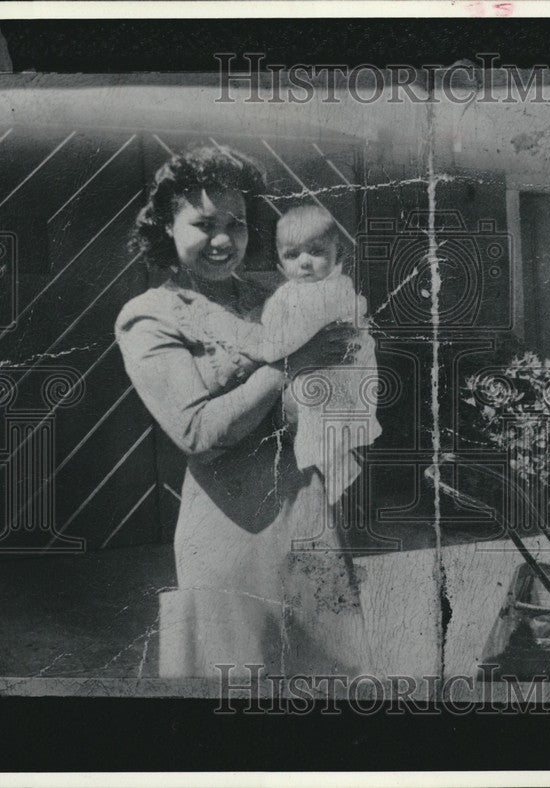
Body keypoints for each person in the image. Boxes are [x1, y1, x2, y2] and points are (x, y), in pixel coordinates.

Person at [114, 145, 373, 680]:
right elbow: (198, 432)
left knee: (332, 687)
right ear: (166, 225)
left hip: (307, 516)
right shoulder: (150, 316)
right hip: (231, 530)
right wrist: (291, 362)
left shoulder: (276, 291)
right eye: (205, 224)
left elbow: (343, 354)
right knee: (237, 695)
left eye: (237, 224)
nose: (224, 240)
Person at [205, 202, 382, 505]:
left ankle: (330, 475)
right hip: (315, 368)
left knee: (315, 423)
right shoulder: (295, 291)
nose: (304, 262)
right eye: (292, 254)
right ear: (279, 263)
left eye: (316, 252)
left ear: (336, 254)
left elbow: (283, 342)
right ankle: (328, 475)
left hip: (334, 374)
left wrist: (255, 347)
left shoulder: (326, 292)